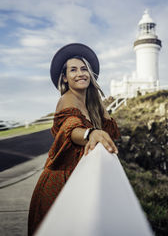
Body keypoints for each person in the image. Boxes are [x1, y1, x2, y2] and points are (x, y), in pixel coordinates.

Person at [28, 43, 120, 235]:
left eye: (84, 69)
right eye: (73, 70)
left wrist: (96, 97)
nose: (80, 73)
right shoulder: (67, 100)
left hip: (77, 181)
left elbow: (111, 129)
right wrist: (90, 133)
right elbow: (71, 128)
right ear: (65, 77)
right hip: (58, 186)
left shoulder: (89, 101)